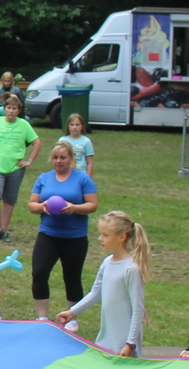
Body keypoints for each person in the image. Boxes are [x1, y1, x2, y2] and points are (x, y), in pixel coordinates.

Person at [55, 210, 149, 355]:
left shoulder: (131, 269)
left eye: (105, 235)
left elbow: (137, 310)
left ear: (121, 237)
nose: (100, 239)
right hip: (106, 339)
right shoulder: (107, 263)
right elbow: (95, 293)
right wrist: (73, 312)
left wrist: (130, 344)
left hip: (124, 343)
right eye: (100, 234)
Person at [28, 139, 100, 319]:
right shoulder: (44, 178)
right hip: (48, 234)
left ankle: (71, 318)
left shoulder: (82, 178)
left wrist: (74, 208)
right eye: (55, 158)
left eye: (63, 158)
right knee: (39, 272)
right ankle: (42, 317)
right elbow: (32, 205)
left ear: (71, 159)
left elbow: (92, 205)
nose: (58, 161)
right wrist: (43, 206)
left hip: (75, 237)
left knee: (72, 277)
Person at [0, 94, 40, 242]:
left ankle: (3, 230)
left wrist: (29, 161)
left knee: (10, 199)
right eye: (8, 108)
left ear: (19, 110)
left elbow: (37, 142)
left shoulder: (24, 124)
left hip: (15, 168)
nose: (11, 111)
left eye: (14, 108)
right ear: (4, 109)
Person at [62, 111, 96, 177]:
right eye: (72, 125)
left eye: (77, 125)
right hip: (65, 173)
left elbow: (90, 162)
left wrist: (88, 178)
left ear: (82, 127)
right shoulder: (62, 140)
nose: (75, 127)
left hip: (81, 174)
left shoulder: (86, 141)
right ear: (68, 126)